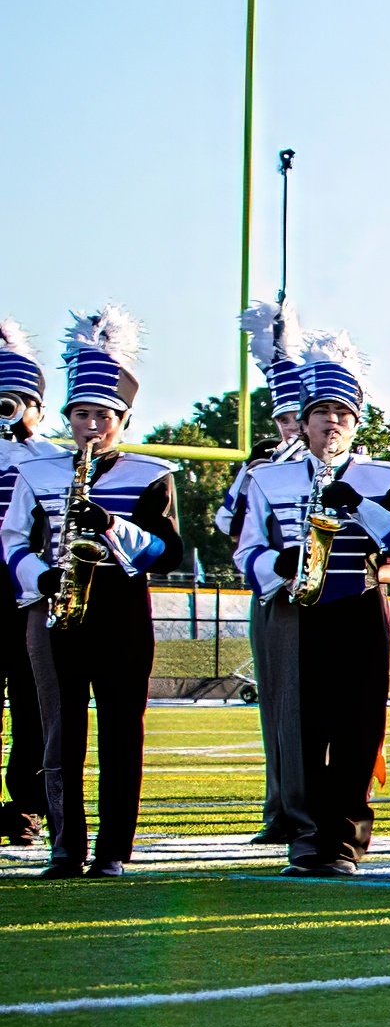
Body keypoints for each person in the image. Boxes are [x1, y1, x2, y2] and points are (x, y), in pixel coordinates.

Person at [246, 326, 390, 874]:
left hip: (359, 608)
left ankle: (345, 842)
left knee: (358, 728)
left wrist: (362, 509)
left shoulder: (385, 477)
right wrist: (281, 564)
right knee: (300, 728)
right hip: (297, 614)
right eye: (321, 411)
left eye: (343, 413)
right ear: (302, 419)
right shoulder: (268, 479)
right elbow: (248, 547)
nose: (331, 422)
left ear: (356, 422)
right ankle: (304, 839)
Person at [11, 312, 180, 875]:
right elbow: (12, 540)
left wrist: (110, 526)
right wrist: (42, 578)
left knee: (120, 729)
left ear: (123, 420)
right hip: (56, 604)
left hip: (123, 606)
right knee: (60, 731)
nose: (91, 425)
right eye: (80, 414)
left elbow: (166, 551)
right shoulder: (40, 473)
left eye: (103, 415)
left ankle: (112, 849)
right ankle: (65, 845)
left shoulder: (151, 474)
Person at [226, 307, 316, 852]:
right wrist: (249, 474)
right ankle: (279, 805)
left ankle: (311, 810)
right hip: (276, 595)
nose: (288, 430)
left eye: (294, 420)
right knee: (277, 706)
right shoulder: (264, 469)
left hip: (334, 595)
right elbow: (229, 529)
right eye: (281, 421)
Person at [0, 319, 45, 852]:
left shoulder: (50, 459)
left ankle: (28, 807)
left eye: (16, 399)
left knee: (33, 708)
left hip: (28, 596)